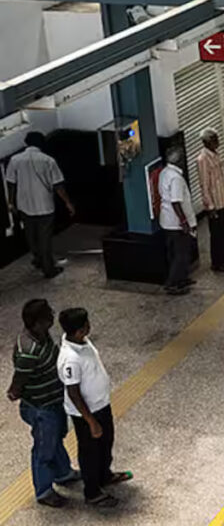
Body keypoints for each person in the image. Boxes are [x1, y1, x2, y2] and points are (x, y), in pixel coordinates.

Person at [7, 299, 80, 509]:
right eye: (49, 314)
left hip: (53, 401)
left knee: (56, 438)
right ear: (38, 322)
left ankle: (63, 473)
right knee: (44, 448)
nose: (52, 316)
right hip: (41, 407)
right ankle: (44, 491)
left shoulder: (42, 335)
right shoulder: (28, 351)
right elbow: (18, 381)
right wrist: (14, 393)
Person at [57, 308, 131, 508]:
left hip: (101, 405)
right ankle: (92, 492)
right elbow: (73, 392)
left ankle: (104, 475)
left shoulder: (82, 342)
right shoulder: (70, 358)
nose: (90, 325)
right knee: (90, 452)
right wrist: (91, 422)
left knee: (106, 443)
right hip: (87, 414)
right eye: (87, 323)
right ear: (80, 330)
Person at [4, 131, 75, 279]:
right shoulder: (48, 160)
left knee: (30, 235)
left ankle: (37, 259)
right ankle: (48, 269)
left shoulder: (15, 160)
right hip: (44, 204)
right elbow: (58, 185)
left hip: (24, 204)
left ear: (26, 143)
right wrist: (68, 203)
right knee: (44, 237)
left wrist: (11, 202)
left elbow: (11, 183)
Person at [159, 147, 197, 294]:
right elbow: (176, 202)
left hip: (167, 221)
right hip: (176, 224)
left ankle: (182, 278)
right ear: (180, 161)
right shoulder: (176, 178)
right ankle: (173, 283)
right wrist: (184, 222)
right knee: (181, 254)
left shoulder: (164, 173)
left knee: (176, 253)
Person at [197, 128, 224, 274]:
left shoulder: (214, 154)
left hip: (222, 200)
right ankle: (217, 262)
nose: (217, 141)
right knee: (216, 233)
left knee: (223, 230)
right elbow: (204, 185)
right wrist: (210, 206)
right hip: (214, 204)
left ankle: (223, 256)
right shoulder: (203, 160)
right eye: (214, 139)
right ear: (207, 142)